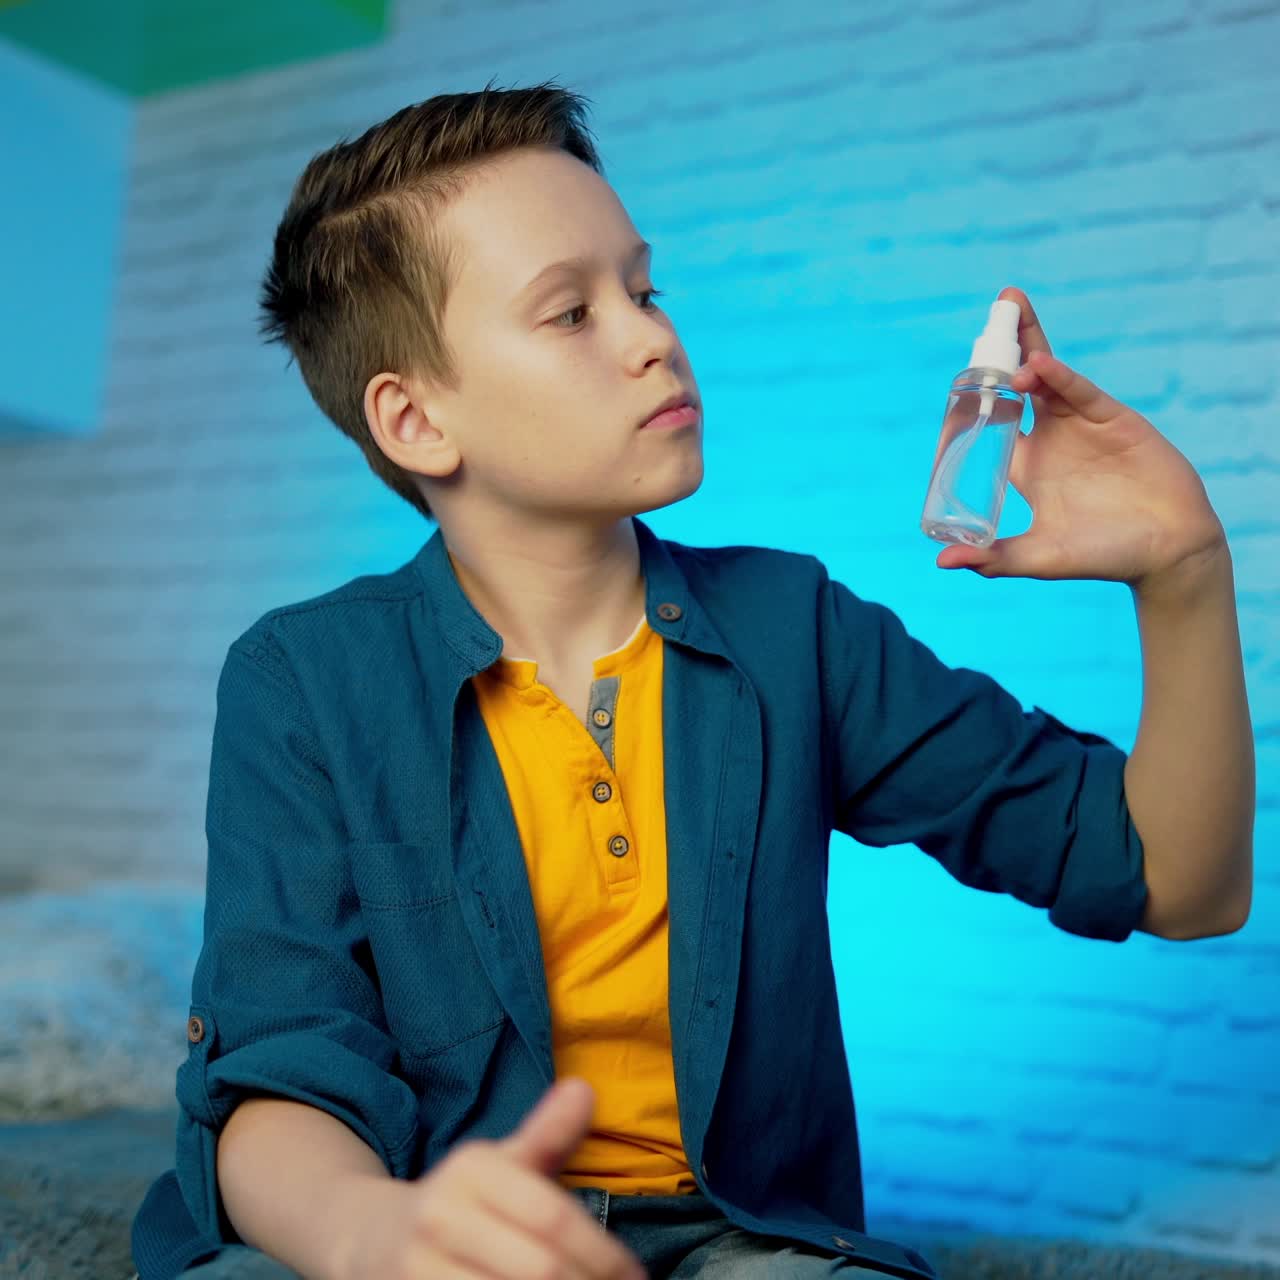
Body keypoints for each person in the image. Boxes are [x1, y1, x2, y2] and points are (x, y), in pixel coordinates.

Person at [130, 78, 1254, 1280]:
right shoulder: (302, 679)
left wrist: (1181, 571)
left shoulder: (792, 629)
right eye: (569, 314)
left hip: (740, 1243)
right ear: (414, 421)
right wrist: (376, 1234)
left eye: (644, 286)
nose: (652, 335)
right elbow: (278, 1071)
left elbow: (1178, 881)